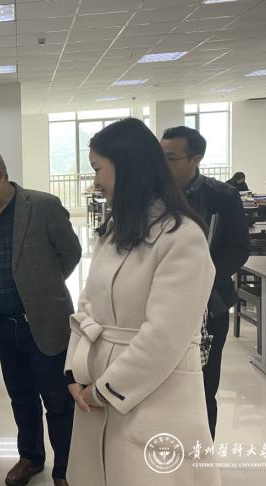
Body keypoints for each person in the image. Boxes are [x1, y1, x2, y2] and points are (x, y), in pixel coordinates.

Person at [65, 118, 220, 486]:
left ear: (127, 166)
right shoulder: (116, 229)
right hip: (96, 388)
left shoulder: (182, 237)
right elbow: (86, 307)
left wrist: (103, 390)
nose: (95, 181)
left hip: (153, 394)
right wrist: (74, 373)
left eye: (98, 168)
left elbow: (163, 337)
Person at [0, 148, 81, 486]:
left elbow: (71, 253)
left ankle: (65, 469)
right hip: (5, 324)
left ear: (1, 174)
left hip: (46, 321)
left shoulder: (42, 206)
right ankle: (30, 457)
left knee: (58, 401)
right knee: (21, 398)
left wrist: (43, 288)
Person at [161, 126, 250, 439]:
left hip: (210, 304)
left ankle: (201, 455)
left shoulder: (222, 196)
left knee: (203, 385)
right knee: (163, 386)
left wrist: (201, 276)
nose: (163, 164)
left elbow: (239, 248)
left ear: (195, 158)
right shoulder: (153, 196)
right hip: (161, 306)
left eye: (171, 158)